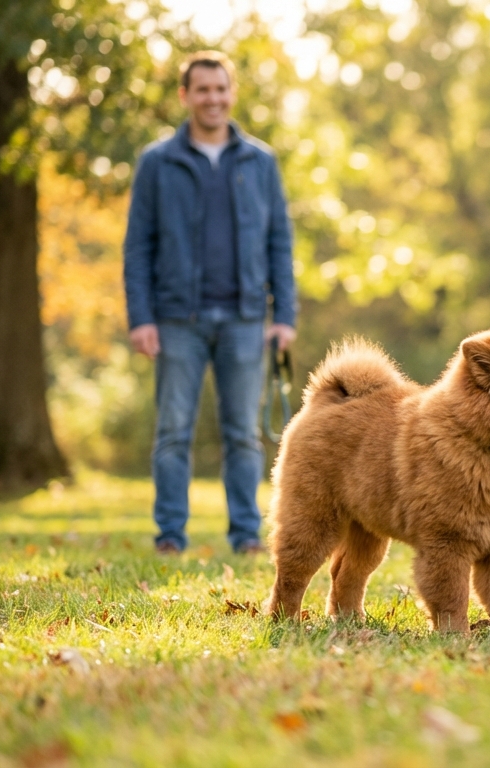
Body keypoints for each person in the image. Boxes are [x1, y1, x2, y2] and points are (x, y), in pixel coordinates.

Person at [123, 51, 296, 555]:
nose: (213, 99)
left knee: (243, 435)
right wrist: (142, 317)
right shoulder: (158, 162)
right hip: (178, 319)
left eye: (220, 89)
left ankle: (245, 535)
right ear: (185, 96)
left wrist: (283, 315)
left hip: (246, 320)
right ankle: (170, 536)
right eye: (202, 90)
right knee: (173, 432)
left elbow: (279, 243)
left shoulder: (260, 162)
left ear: (232, 92)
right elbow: (138, 246)